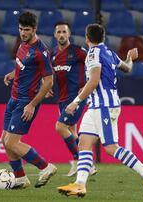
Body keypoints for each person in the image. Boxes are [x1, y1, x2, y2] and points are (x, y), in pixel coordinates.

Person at [57, 24, 143, 199]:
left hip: (103, 106)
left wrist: (75, 101)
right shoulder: (109, 52)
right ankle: (80, 185)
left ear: (87, 38)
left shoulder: (92, 54)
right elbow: (127, 68)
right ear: (102, 38)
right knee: (84, 143)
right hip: (96, 106)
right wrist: (129, 58)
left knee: (111, 148)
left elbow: (94, 81)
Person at [2, 11, 57, 189]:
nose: (23, 33)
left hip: (26, 101)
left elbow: (49, 80)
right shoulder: (22, 44)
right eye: (20, 29)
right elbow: (23, 68)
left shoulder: (41, 52)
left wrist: (32, 104)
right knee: (5, 140)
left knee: (12, 142)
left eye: (27, 30)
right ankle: (20, 178)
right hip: (14, 97)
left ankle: (46, 167)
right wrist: (12, 74)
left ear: (35, 29)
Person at [48, 21, 97, 177]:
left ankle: (80, 160)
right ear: (55, 35)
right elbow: (47, 71)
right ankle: (86, 164)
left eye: (64, 31)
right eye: (59, 32)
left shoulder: (78, 52)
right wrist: (46, 85)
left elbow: (94, 64)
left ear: (69, 34)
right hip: (61, 97)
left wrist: (88, 83)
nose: (61, 34)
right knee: (70, 130)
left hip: (76, 97)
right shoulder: (53, 54)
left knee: (60, 127)